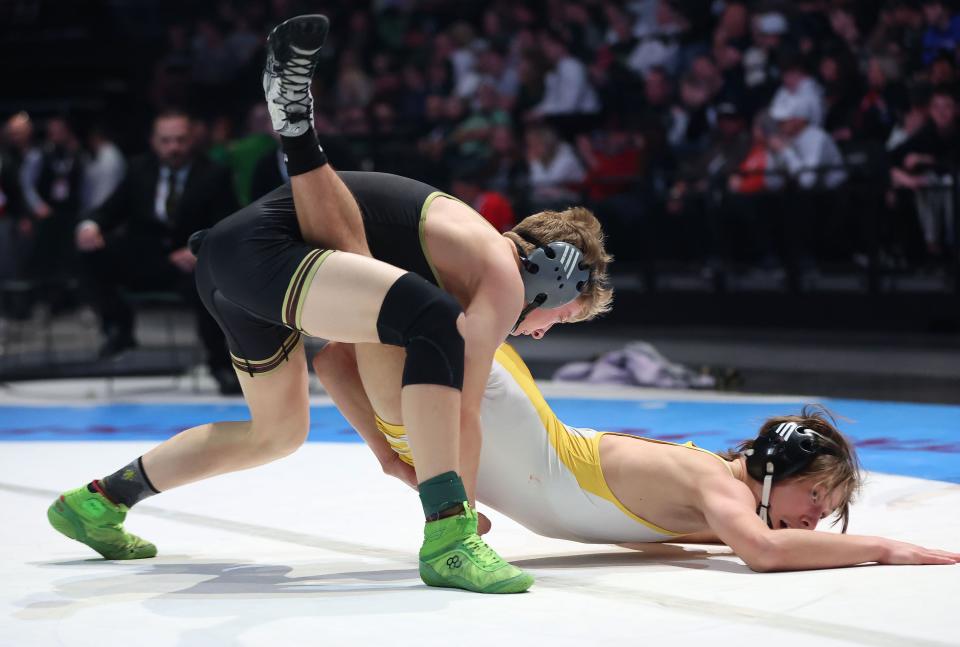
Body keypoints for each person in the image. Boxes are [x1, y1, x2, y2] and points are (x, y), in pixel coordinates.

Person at [48, 15, 613, 595]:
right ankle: (449, 541)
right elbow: (462, 411)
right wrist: (456, 515)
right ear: (553, 279)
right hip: (265, 254)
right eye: (562, 316)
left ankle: (100, 502)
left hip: (235, 266)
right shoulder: (500, 272)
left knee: (277, 433)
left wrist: (394, 462)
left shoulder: (432, 267)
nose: (541, 332)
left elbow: (335, 361)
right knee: (437, 326)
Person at [314, 342, 960, 571]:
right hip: (502, 414)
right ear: (773, 468)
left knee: (354, 344)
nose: (816, 519)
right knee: (382, 302)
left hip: (470, 438)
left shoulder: (717, 494)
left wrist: (394, 461)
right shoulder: (714, 484)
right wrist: (883, 546)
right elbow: (764, 553)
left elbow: (328, 361)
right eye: (817, 497)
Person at [74, 109, 239, 393]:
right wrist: (90, 226)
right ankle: (119, 327)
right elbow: (110, 210)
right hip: (146, 260)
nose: (173, 148)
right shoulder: (138, 169)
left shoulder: (214, 174)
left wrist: (200, 250)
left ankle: (221, 366)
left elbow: (228, 224)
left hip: (191, 265)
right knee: (90, 251)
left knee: (209, 289)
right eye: (166, 140)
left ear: (193, 139)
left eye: (180, 140)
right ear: (153, 141)